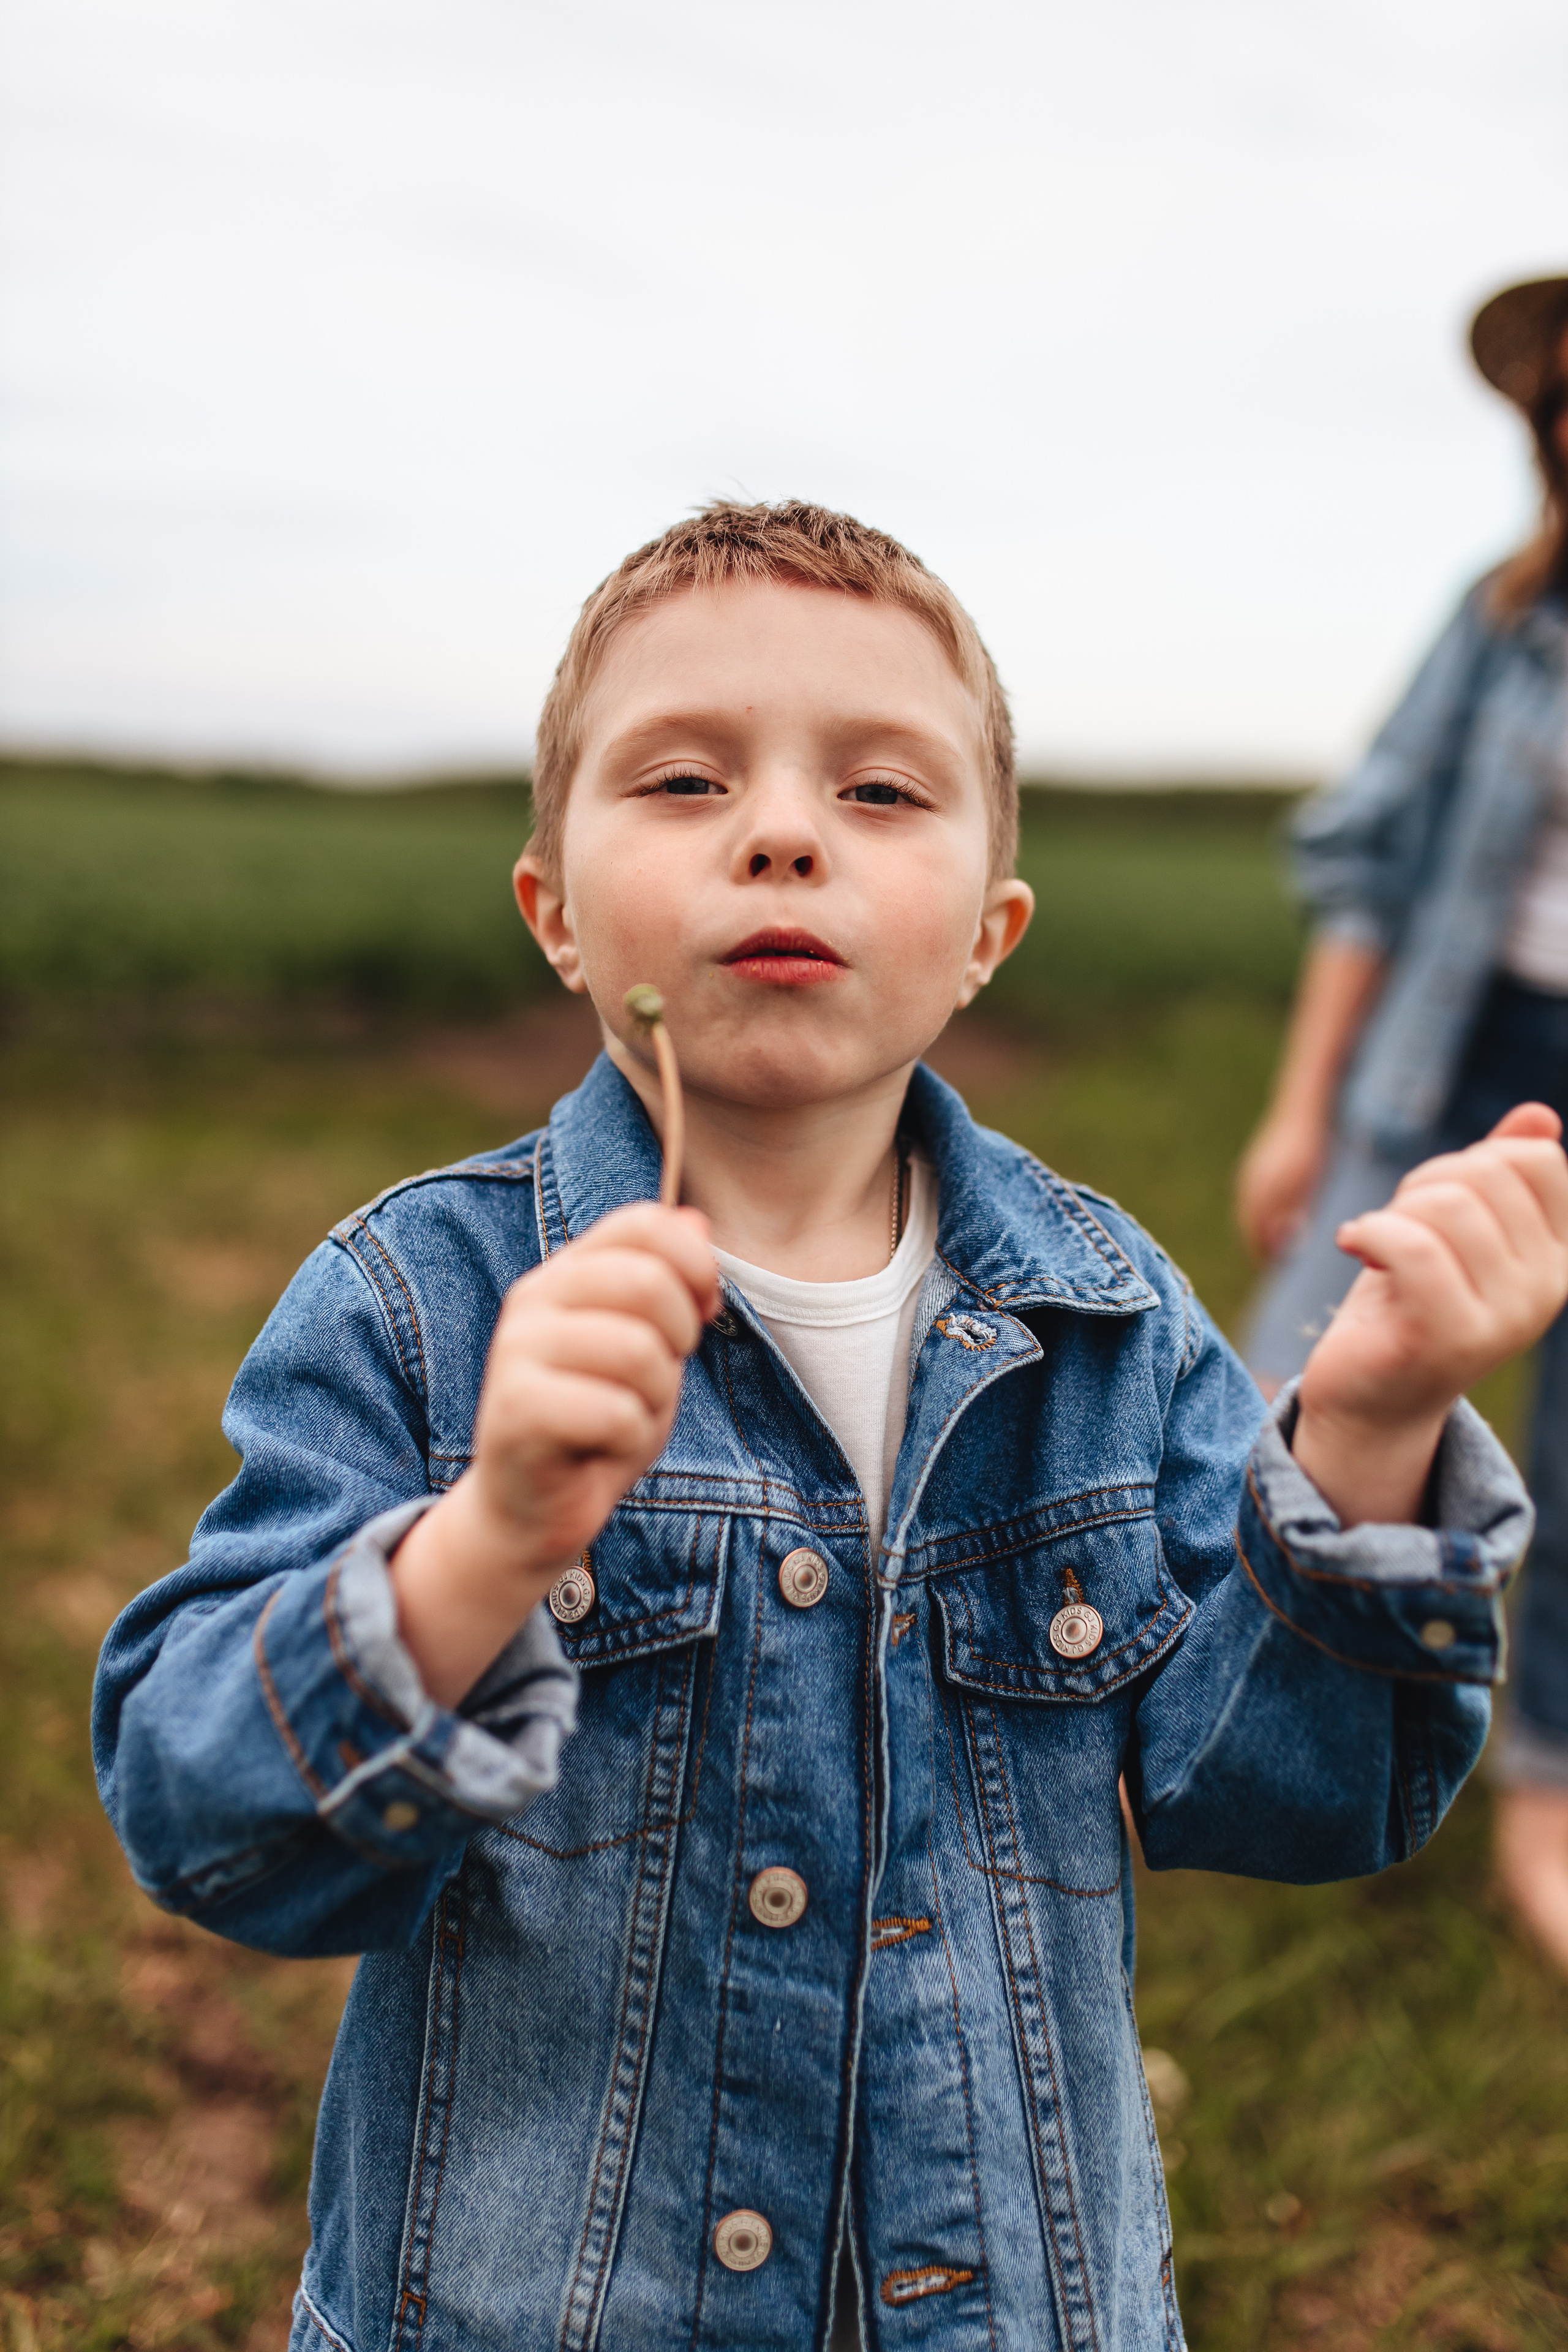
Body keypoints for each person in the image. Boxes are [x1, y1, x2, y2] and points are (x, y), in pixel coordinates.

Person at [95, 502, 1567, 2352]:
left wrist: (1371, 1424)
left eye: (880, 795)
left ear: (985, 937)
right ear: (556, 911)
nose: (783, 830)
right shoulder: (421, 1305)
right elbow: (203, 1820)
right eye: (687, 778)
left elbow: (1292, 1793)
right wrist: (480, 1549)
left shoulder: (1105, 1326)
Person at [1237, 277, 1568, 1978]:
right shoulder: (1505, 619)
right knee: (1296, 1357)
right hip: (1457, 1044)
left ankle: (1545, 1792)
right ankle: (1194, 1686)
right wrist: (1305, 1110)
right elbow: (1368, 860)